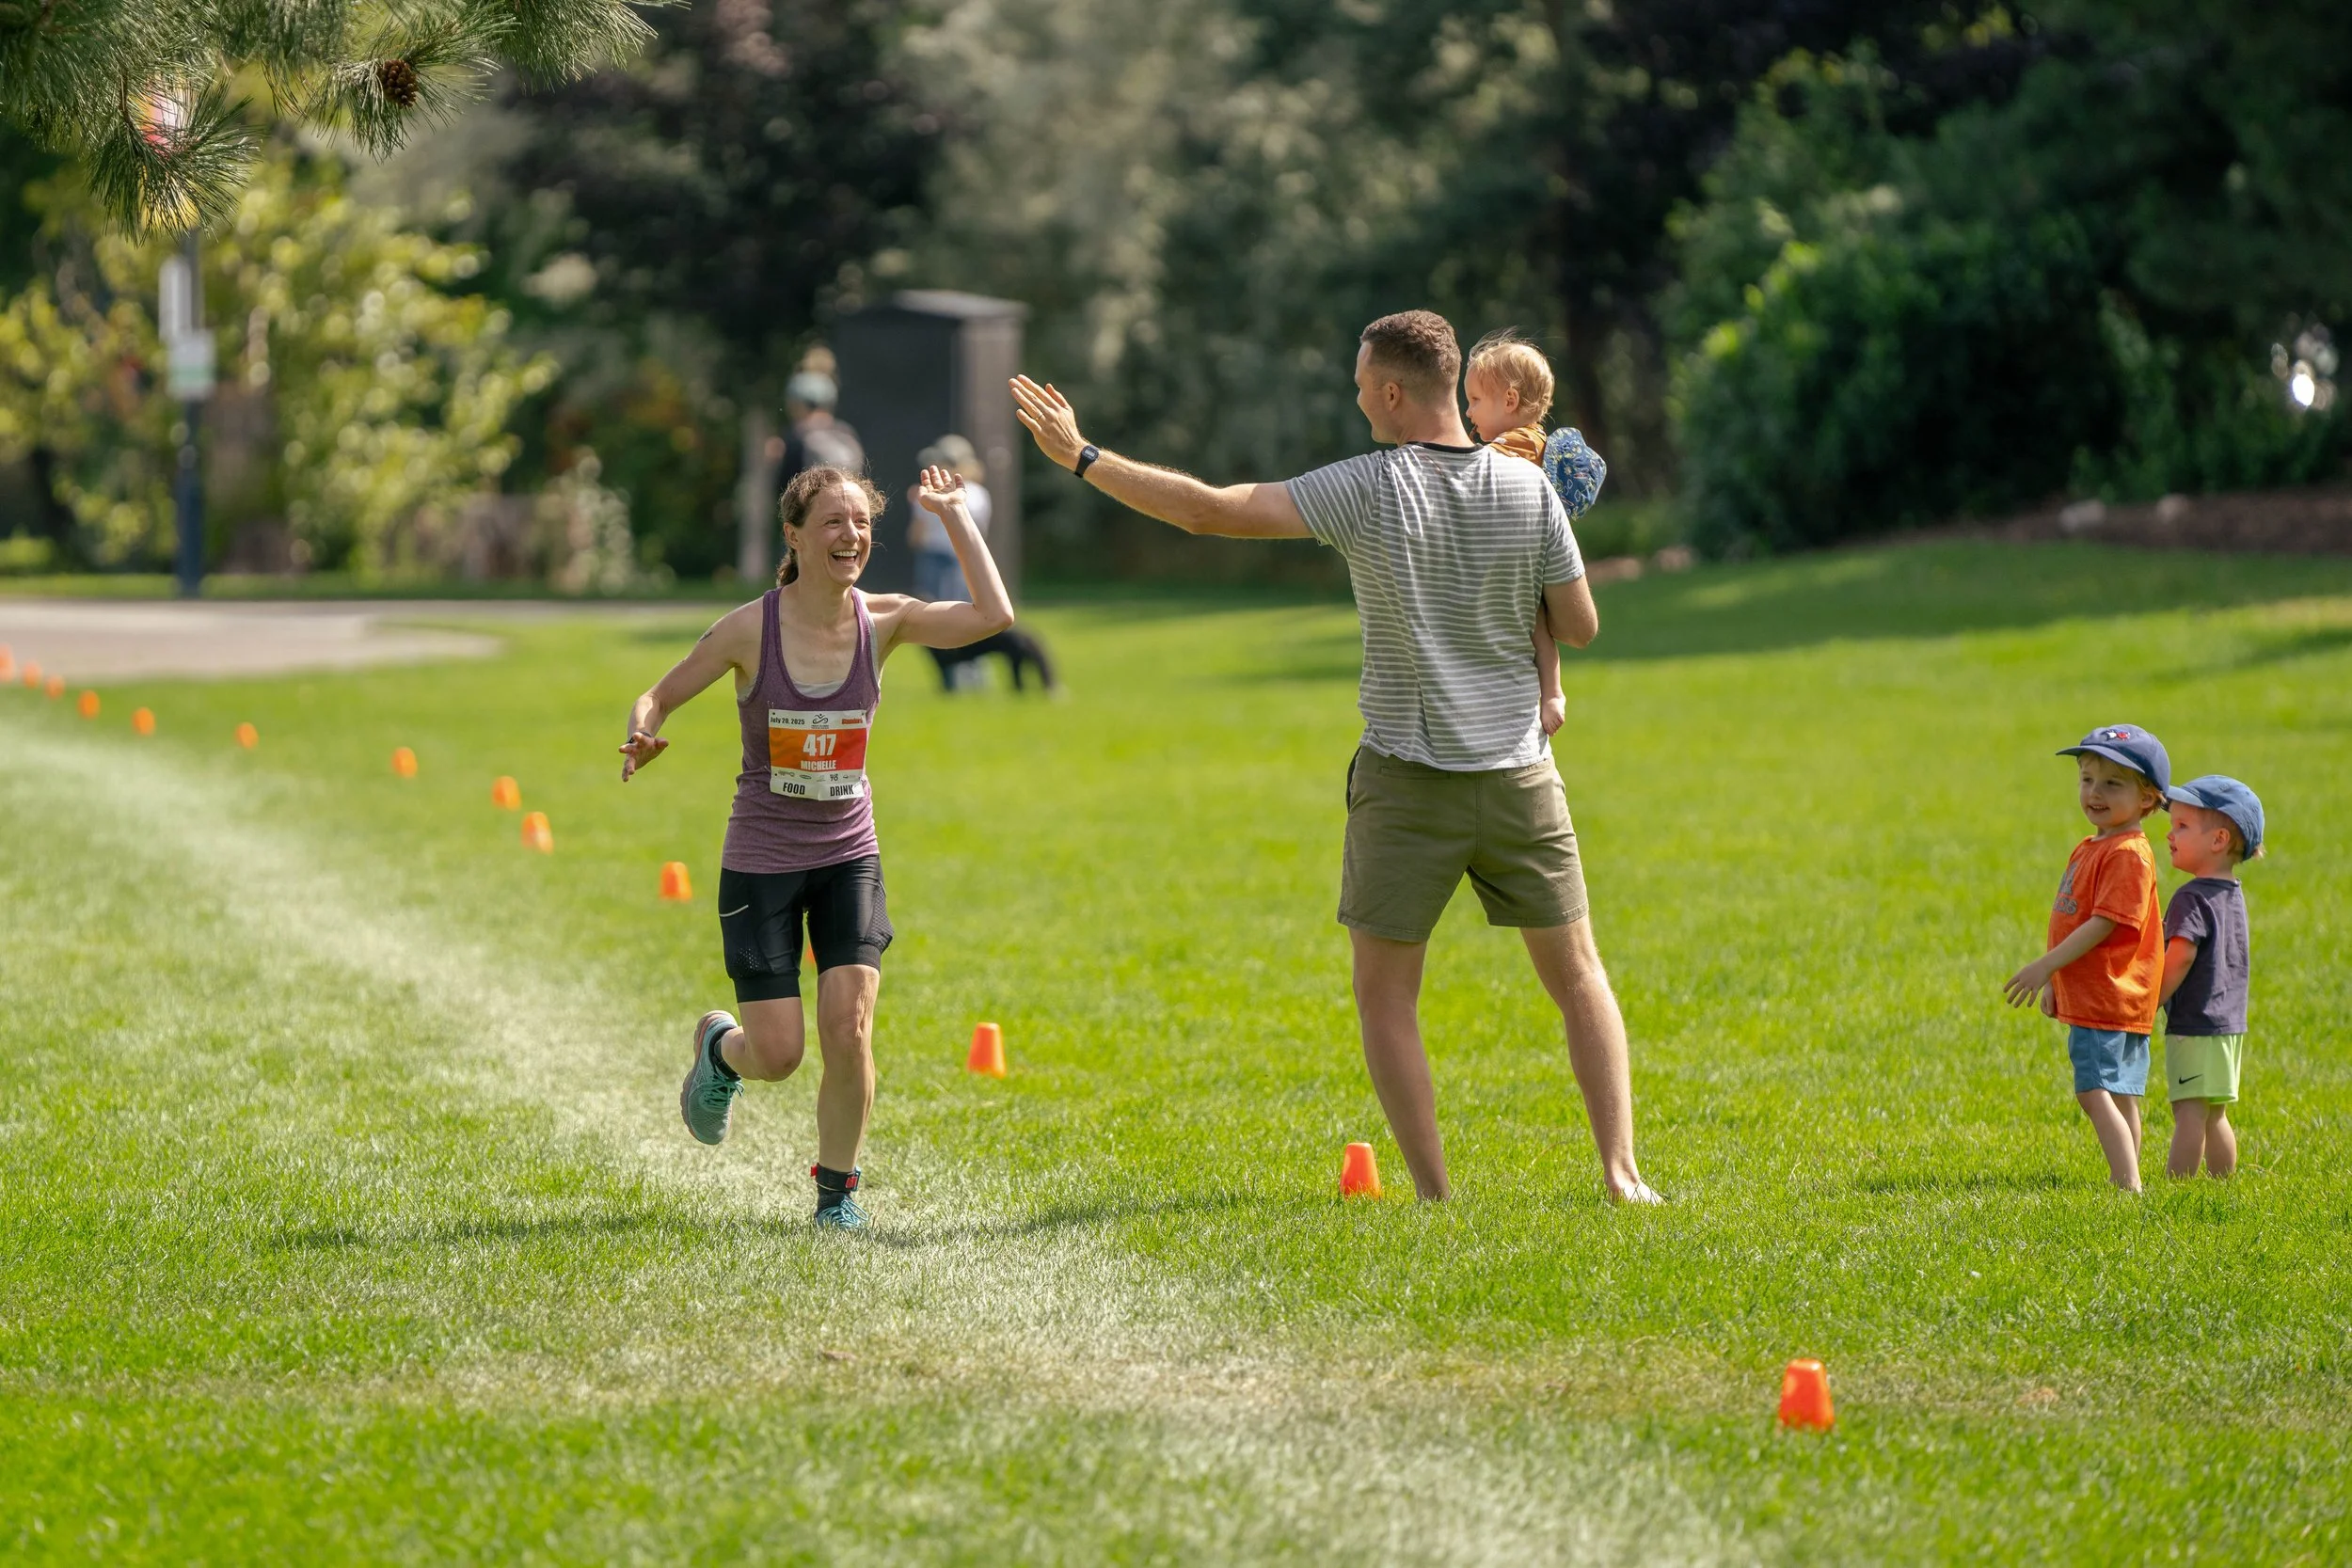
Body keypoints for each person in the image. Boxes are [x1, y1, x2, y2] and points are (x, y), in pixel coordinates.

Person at [1009, 309, 1660, 1205]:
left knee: (1387, 996)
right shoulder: (1531, 490)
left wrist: (1085, 457)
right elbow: (1581, 626)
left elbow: (1207, 510)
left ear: (1394, 393)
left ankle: (1436, 1196)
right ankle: (1622, 1173)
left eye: (1362, 388)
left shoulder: (1368, 485)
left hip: (1408, 786)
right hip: (1520, 779)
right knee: (1578, 974)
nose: (1357, 403)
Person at [620, 463, 1013, 1229]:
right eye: (833, 521)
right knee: (779, 1054)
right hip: (763, 857)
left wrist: (955, 515)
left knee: (850, 1022)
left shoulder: (886, 619)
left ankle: (836, 1197)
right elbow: (660, 691)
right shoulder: (748, 628)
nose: (852, 535)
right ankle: (719, 1051)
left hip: (847, 853)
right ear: (794, 536)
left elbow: (993, 615)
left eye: (861, 521)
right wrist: (643, 730)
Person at [2003, 724, 2170, 1194]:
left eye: (2112, 784)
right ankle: (2130, 1175)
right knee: (2121, 1093)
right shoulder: (2097, 844)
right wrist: (2060, 982)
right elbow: (2074, 920)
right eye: (2086, 779)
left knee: (2093, 1092)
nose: (2094, 793)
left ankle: (2127, 1184)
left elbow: (2104, 924)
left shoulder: (2127, 854)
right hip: (2107, 995)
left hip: (2109, 996)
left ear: (2148, 799)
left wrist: (2046, 966)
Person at [1460, 330, 1610, 740]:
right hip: (1534, 559)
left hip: (1526, 561)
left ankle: (1552, 694)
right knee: (1538, 628)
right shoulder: (1533, 440)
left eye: (1474, 400)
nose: (1468, 412)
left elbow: (1473, 471)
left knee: (1539, 629)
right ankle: (1553, 693)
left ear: (1509, 401)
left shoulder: (1514, 445)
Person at [2158, 774, 2264, 1180]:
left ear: (2218, 840)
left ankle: (2177, 1187)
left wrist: (2150, 1001)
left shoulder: (2191, 897)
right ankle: (2222, 1184)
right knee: (2215, 1112)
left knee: (2188, 1111)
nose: (2170, 835)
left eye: (2182, 827)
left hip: (2194, 1025)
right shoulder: (2232, 895)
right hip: (2229, 1026)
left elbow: (2181, 957)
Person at [771, 371, 866, 518]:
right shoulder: (847, 432)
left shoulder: (797, 435)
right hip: (850, 515)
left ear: (798, 405)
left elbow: (784, 490)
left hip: (815, 519)